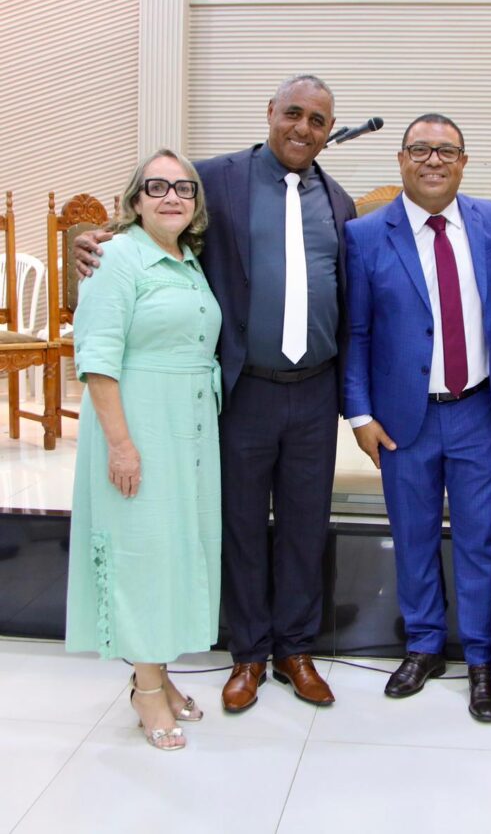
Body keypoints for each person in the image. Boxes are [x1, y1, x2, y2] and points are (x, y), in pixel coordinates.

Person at [75, 75, 356, 712]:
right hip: (243, 389)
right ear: (270, 112)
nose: (303, 128)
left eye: (317, 120)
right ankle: (249, 653)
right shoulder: (214, 179)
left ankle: (296, 649)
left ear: (326, 132)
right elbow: (150, 220)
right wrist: (89, 241)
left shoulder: (338, 201)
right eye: (293, 113)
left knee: (305, 525)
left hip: (315, 390)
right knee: (241, 524)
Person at [344, 114, 491, 721]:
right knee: (412, 536)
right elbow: (356, 331)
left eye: (446, 151)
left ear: (463, 162)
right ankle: (422, 646)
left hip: (479, 411)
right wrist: (359, 413)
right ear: (401, 160)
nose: (433, 160)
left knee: (480, 539)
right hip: (401, 419)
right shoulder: (366, 235)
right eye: (420, 149)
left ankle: (482, 658)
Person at [66, 149, 222, 751]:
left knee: (174, 550)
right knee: (144, 552)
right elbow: (97, 358)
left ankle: (158, 671)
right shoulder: (115, 258)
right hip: (139, 423)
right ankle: (147, 689)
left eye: (184, 188)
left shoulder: (188, 259)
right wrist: (122, 446)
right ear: (135, 199)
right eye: (156, 187)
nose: (172, 197)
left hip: (188, 427)